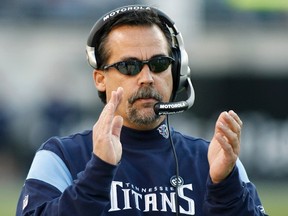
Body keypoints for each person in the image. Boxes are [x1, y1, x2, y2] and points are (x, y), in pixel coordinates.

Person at [16, 5, 268, 216]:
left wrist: (225, 188)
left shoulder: (214, 160)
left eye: (159, 64)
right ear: (100, 79)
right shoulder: (60, 157)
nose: (147, 78)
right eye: (129, 66)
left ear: (178, 72)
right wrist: (98, 172)